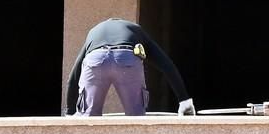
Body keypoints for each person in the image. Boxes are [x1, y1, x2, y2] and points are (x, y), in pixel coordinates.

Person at [65, 18, 194, 116]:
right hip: (126, 57)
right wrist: (184, 100)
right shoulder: (136, 29)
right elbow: (166, 65)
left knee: (87, 120)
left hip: (96, 58)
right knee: (136, 119)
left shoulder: (93, 32)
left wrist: (69, 112)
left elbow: (74, 75)